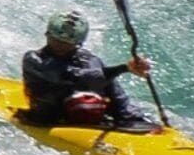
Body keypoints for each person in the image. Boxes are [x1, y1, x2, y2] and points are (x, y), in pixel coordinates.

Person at [20, 12, 157, 131]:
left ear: (79, 43)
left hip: (87, 119)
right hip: (48, 118)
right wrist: (125, 68)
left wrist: (138, 120)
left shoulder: (90, 60)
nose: (60, 45)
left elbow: (110, 89)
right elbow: (74, 77)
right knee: (86, 88)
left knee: (99, 90)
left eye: (67, 43)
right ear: (47, 34)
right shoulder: (34, 60)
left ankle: (130, 118)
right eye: (55, 40)